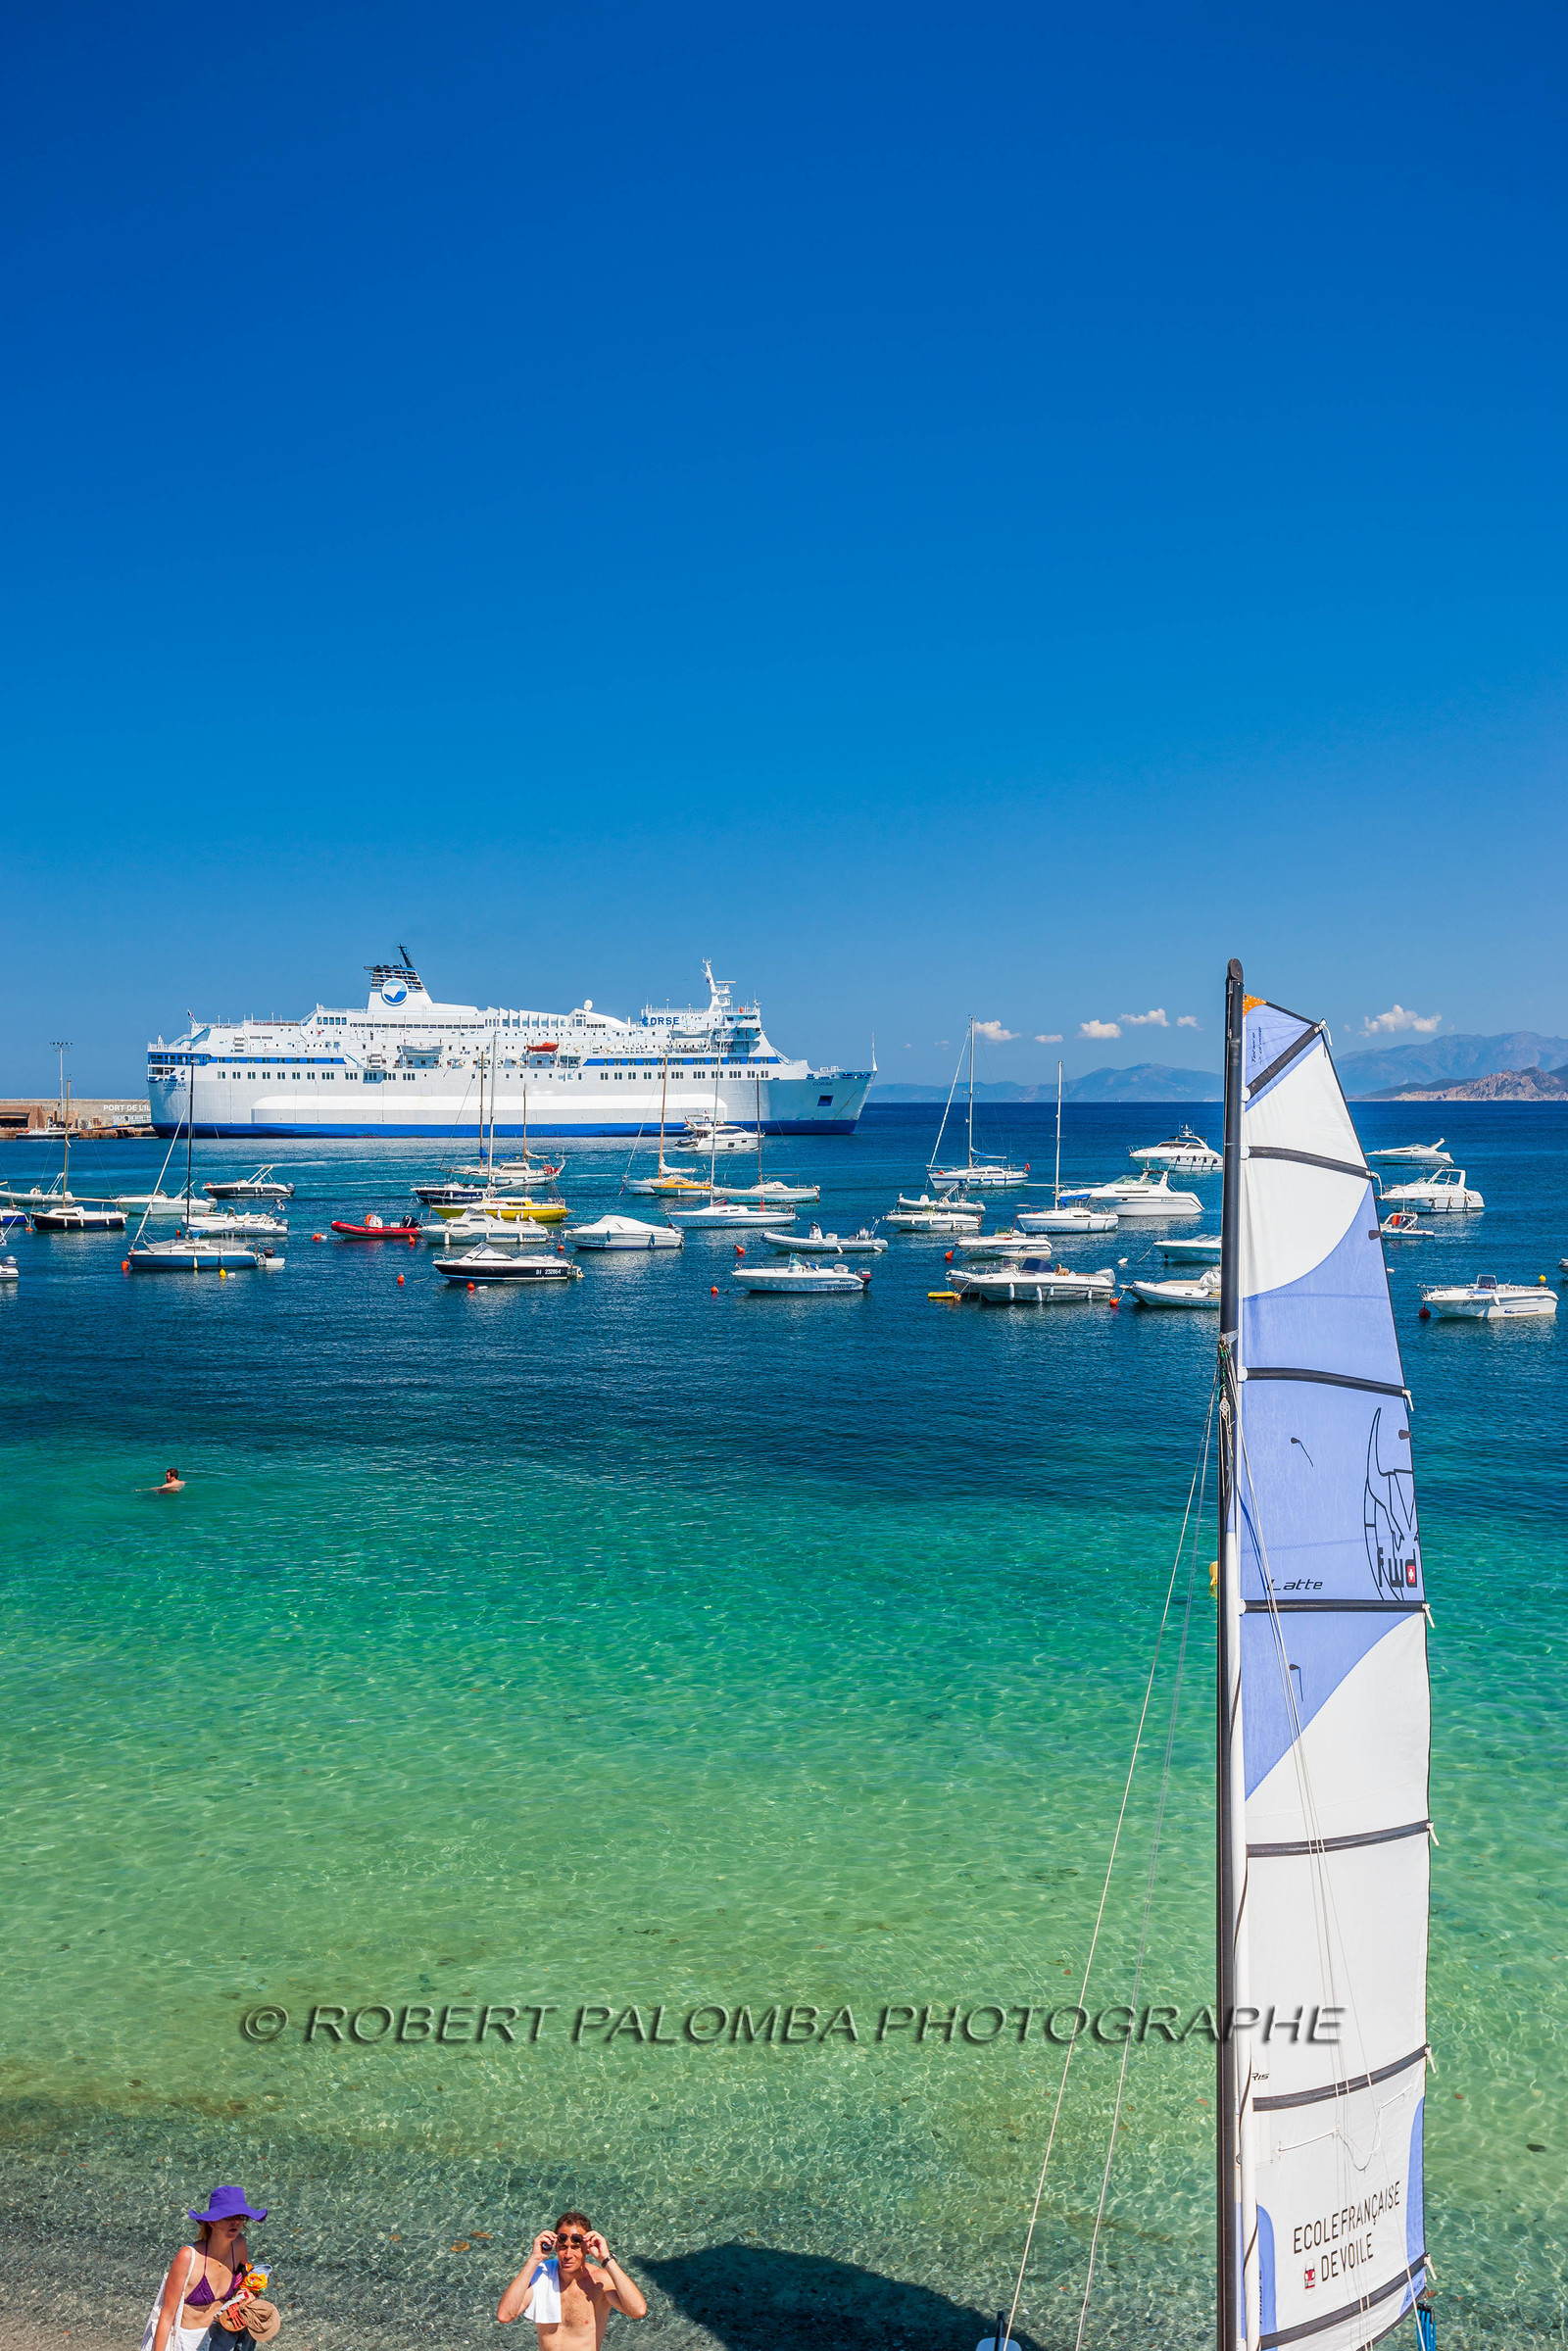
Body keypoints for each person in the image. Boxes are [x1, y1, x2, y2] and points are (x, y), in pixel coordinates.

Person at [145, 2185, 275, 2351]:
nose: (235, 2222)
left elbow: (241, 2288)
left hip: (221, 2340)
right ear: (212, 2222)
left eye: (240, 2217)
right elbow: (166, 2315)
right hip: (186, 2342)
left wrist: (248, 2294)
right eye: (228, 2217)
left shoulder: (239, 2245)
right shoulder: (188, 2257)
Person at [497, 2212, 646, 2348]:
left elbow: (637, 2311)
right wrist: (534, 2259)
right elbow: (505, 2315)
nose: (568, 2254)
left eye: (575, 2247)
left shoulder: (599, 2283)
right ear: (555, 2247)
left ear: (587, 2248)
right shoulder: (542, 2276)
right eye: (563, 2247)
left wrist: (605, 2258)